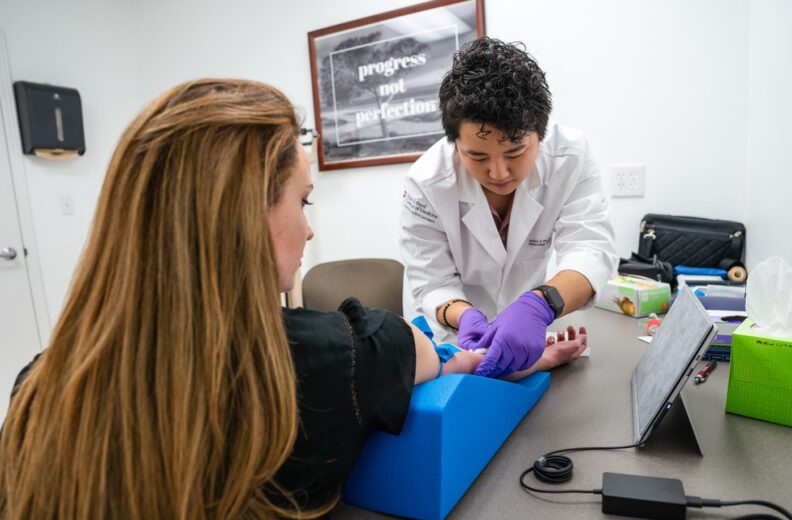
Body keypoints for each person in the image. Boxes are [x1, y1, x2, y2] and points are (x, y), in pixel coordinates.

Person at [0, 79, 509, 520]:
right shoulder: (331, 360)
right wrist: (472, 358)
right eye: (302, 200)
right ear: (246, 215)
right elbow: (415, 350)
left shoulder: (37, 390)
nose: (308, 230)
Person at [400, 37, 618, 378]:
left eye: (515, 153)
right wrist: (465, 316)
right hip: (451, 340)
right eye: (477, 156)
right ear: (454, 142)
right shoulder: (426, 182)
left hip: (527, 337)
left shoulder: (570, 158)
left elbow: (590, 249)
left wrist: (540, 305)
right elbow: (431, 282)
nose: (498, 173)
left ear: (540, 134)